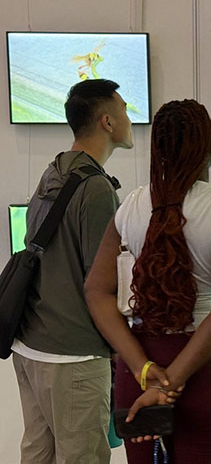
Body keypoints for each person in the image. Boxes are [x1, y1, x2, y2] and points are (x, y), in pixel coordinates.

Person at [85, 99, 211, 463]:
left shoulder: (131, 205)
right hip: (207, 373)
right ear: (208, 147)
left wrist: (144, 370)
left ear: (156, 149)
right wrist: (171, 382)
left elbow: (96, 291)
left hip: (139, 376)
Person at [12, 79, 134, 463]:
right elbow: (101, 284)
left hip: (30, 344)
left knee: (38, 454)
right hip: (73, 357)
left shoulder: (55, 171)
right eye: (124, 109)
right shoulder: (96, 189)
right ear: (107, 122)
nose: (129, 117)